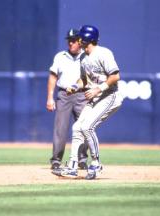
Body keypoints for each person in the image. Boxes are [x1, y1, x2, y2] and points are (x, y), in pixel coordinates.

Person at [53, 25, 124, 180]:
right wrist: (75, 85)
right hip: (96, 97)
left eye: (81, 37)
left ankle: (96, 163)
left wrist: (98, 89)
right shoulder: (84, 57)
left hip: (110, 95)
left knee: (87, 127)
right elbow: (84, 80)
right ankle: (72, 166)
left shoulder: (103, 53)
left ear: (88, 39)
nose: (78, 40)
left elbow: (115, 76)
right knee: (77, 127)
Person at [47, 28, 88, 170]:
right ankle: (56, 160)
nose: (71, 43)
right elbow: (53, 76)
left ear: (80, 41)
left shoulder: (86, 56)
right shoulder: (60, 56)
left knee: (84, 127)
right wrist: (50, 98)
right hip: (64, 95)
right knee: (60, 128)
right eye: (69, 40)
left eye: (74, 40)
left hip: (82, 95)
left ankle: (82, 159)